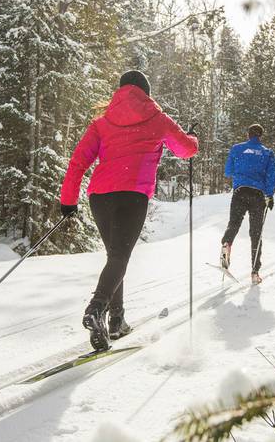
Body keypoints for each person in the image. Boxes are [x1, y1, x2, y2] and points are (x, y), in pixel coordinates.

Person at [60, 70, 198, 351]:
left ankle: (116, 321)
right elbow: (186, 150)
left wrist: (68, 200)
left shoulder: (102, 122)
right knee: (120, 256)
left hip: (100, 196)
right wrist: (193, 138)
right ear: (145, 92)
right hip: (133, 194)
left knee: (115, 256)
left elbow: (78, 162)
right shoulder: (157, 118)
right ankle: (96, 309)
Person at [220, 124, 275, 285]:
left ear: (248, 134)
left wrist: (241, 171)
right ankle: (255, 272)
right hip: (258, 195)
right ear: (260, 136)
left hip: (240, 192)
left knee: (234, 224)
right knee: (256, 233)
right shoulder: (267, 153)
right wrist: (269, 195)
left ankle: (227, 243)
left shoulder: (237, 149)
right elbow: (271, 176)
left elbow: (228, 171)